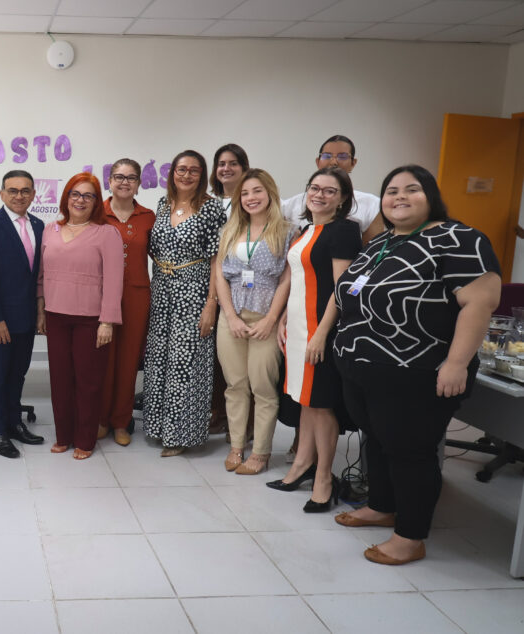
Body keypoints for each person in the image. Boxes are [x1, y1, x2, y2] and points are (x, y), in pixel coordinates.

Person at [333, 165, 500, 565]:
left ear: (431, 195)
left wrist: (457, 362)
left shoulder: (458, 238)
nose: (399, 197)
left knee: (411, 451)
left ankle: (410, 535)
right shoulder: (381, 243)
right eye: (391, 191)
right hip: (363, 368)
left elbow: (481, 301)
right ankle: (381, 506)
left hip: (417, 370)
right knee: (378, 441)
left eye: (412, 189)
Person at [268, 167, 361, 512]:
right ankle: (300, 467)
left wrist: (322, 332)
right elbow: (295, 280)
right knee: (305, 401)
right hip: (296, 328)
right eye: (314, 188)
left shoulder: (344, 232)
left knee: (321, 404)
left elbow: (342, 289)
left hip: (319, 330)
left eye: (330, 190)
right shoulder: (308, 229)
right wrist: (281, 320)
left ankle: (324, 478)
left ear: (342, 198)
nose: (320, 195)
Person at [143, 151, 227, 456]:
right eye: (181, 169)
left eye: (194, 170)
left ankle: (181, 434)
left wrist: (211, 304)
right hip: (162, 291)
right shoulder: (163, 205)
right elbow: (154, 248)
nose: (186, 175)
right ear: (172, 173)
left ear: (202, 175)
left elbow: (218, 258)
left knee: (186, 362)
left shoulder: (211, 208)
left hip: (194, 293)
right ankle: (157, 427)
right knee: (159, 360)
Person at [38, 172, 124, 460]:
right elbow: (42, 275)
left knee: (87, 382)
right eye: (75, 193)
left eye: (88, 195)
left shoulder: (107, 232)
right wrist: (41, 309)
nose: (81, 200)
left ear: (96, 201)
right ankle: (63, 436)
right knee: (60, 379)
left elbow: (114, 281)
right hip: (55, 316)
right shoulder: (50, 230)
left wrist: (107, 321)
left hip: (91, 319)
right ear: (66, 198)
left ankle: (85, 440)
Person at [212, 169, 292, 475]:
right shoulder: (231, 229)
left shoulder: (286, 231)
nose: (250, 198)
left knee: (262, 387)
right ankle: (236, 446)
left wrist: (271, 319)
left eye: (257, 191)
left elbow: (287, 279)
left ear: (269, 193)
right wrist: (229, 316)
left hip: (265, 320)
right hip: (232, 317)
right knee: (235, 385)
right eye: (244, 194)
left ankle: (260, 453)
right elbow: (219, 274)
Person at [0, 170, 47, 459]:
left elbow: (38, 275)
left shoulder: (39, 226)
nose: (19, 196)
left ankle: (15, 423)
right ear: (2, 194)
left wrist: (40, 311)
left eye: (25, 190)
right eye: (13, 190)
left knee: (18, 374)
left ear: (33, 194)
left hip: (26, 318)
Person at [97, 159, 154, 447]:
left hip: (136, 295)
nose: (124, 182)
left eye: (131, 177)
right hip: (101, 296)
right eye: (119, 177)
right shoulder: (97, 213)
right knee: (103, 359)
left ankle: (121, 421)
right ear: (109, 181)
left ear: (139, 183)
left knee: (129, 360)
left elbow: (161, 256)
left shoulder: (148, 216)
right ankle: (101, 419)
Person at [280, 135, 383, 242]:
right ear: (318, 162)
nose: (333, 162)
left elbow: (369, 252)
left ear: (353, 163)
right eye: (326, 156)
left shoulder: (371, 204)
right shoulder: (292, 204)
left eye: (342, 156)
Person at [211, 143, 249, 217]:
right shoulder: (208, 200)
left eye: (233, 164)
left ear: (244, 168)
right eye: (222, 164)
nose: (226, 169)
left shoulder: (252, 199)